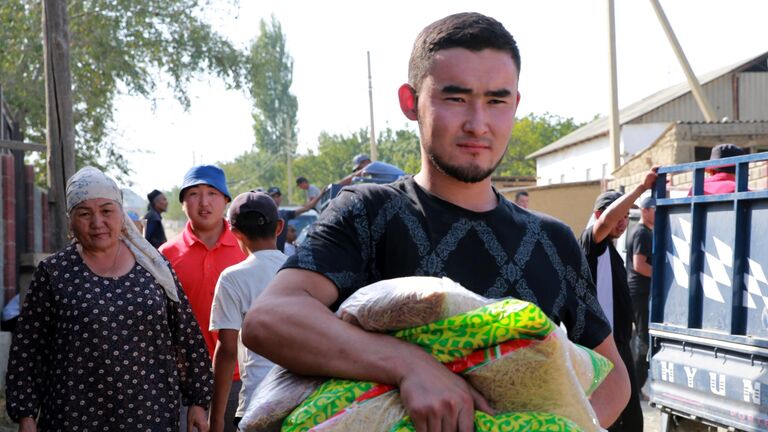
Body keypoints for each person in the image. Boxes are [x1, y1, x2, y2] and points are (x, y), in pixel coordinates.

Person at [243, 12, 630, 431]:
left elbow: (613, 378)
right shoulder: (369, 212)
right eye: (456, 98)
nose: (478, 124)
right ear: (411, 103)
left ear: (515, 104)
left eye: (496, 100)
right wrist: (409, 366)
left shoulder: (551, 240)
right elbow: (271, 319)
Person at [5, 167, 212, 431]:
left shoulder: (153, 267)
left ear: (121, 213)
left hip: (151, 414)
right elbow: (28, 349)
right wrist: (26, 416)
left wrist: (197, 400)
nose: (97, 222)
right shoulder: (54, 273)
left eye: (106, 211)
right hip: (73, 416)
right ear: (71, 220)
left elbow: (185, 333)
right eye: (84, 213)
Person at [160, 164, 247, 432]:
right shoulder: (165, 256)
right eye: (194, 194)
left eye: (212, 193)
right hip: (184, 384)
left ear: (226, 201)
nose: (204, 202)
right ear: (183, 202)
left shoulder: (246, 246)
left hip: (240, 380)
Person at [578, 167, 657, 432]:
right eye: (618, 217)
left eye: (626, 217)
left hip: (619, 345)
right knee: (610, 421)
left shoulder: (611, 252)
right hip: (600, 348)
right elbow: (605, 223)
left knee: (632, 420)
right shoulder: (591, 242)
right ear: (600, 216)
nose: (623, 223)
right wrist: (640, 188)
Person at [208, 191, 287, 432]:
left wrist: (216, 420)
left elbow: (227, 350)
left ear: (235, 232)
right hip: (302, 400)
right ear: (279, 227)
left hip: (257, 402)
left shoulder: (233, 279)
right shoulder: (301, 269)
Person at [628, 196, 655, 399]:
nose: (657, 212)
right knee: (644, 340)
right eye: (654, 208)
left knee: (642, 339)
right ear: (645, 210)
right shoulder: (642, 233)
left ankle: (635, 387)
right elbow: (639, 265)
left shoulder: (645, 232)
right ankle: (635, 388)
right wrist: (662, 275)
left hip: (640, 292)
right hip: (639, 293)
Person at [266, 186, 321, 252]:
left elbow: (307, 208)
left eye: (278, 196)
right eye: (273, 196)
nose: (276, 199)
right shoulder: (265, 214)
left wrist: (321, 194)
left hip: (280, 255)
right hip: (266, 254)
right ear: (268, 198)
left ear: (281, 198)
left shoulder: (284, 214)